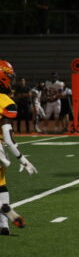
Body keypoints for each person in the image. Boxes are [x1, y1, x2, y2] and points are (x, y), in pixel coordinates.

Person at [0, 61, 38, 235]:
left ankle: (3, 222)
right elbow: (8, 138)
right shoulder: (6, 102)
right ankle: (3, 220)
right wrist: (23, 160)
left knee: (1, 185)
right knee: (1, 186)